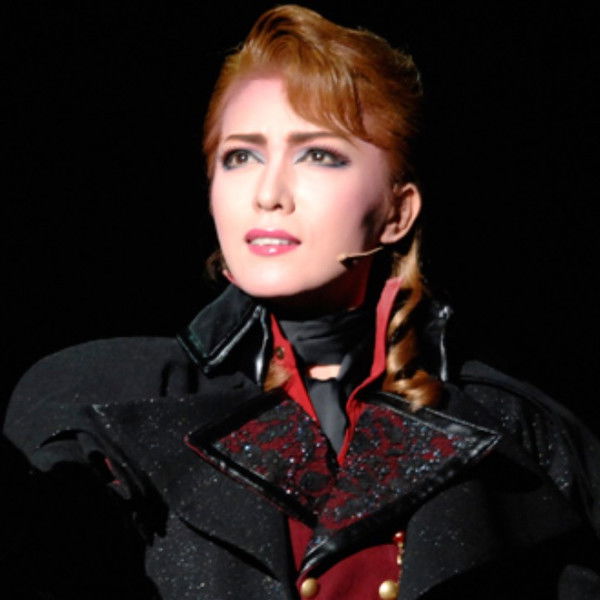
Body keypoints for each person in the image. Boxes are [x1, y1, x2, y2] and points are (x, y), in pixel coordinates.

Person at [3, 5, 600, 599]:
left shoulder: (514, 431)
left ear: (397, 212)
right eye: (240, 156)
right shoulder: (110, 402)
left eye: (318, 155)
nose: (268, 193)